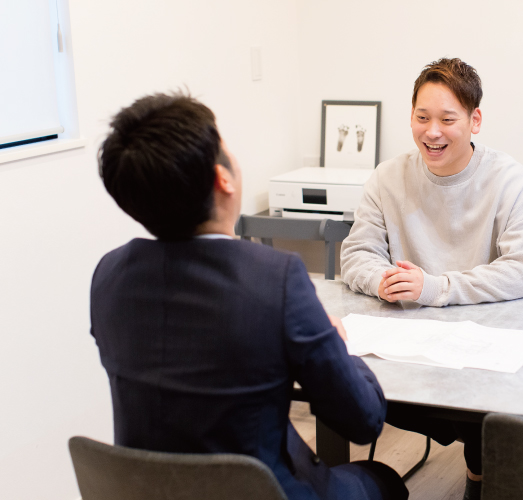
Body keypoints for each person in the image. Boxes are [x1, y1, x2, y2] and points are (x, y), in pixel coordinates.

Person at [90, 92, 407, 500]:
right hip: (260, 490)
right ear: (223, 177)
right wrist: (339, 346)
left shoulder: (109, 276)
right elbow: (364, 420)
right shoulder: (274, 278)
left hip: (150, 489)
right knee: (382, 480)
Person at [340, 58, 523, 500]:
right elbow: (357, 253)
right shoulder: (388, 177)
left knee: (488, 415)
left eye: (447, 119)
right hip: (408, 347)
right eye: (422, 117)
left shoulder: (509, 179)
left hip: (485, 345)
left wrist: (435, 288)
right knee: (350, 380)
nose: (432, 132)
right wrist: (381, 281)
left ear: (475, 120)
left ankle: (481, 470)